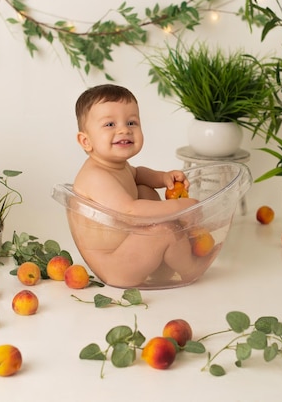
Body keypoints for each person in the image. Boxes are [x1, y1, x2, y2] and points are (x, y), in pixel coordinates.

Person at [71, 84, 210, 287]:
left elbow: (138, 174)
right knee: (164, 230)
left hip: (129, 251)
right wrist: (181, 207)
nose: (124, 129)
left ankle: (163, 265)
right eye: (110, 124)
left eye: (131, 122)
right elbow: (130, 211)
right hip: (115, 266)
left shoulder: (118, 166)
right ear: (86, 141)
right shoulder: (96, 176)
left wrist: (163, 178)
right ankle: (189, 268)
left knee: (144, 190)